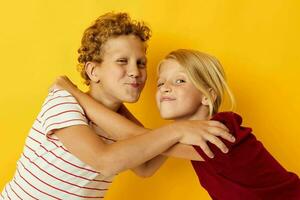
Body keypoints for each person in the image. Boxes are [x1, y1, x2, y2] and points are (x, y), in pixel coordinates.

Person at [0, 13, 234, 200]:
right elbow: (105, 161)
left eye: (141, 63)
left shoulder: (120, 122)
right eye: (122, 61)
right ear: (94, 71)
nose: (135, 71)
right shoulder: (63, 101)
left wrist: (185, 120)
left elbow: (145, 167)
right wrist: (177, 131)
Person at [54, 49, 300, 199]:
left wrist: (77, 94)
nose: (165, 88)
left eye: (180, 81)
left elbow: (136, 136)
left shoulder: (222, 130)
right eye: (161, 83)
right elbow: (145, 155)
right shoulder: (187, 138)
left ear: (208, 95)